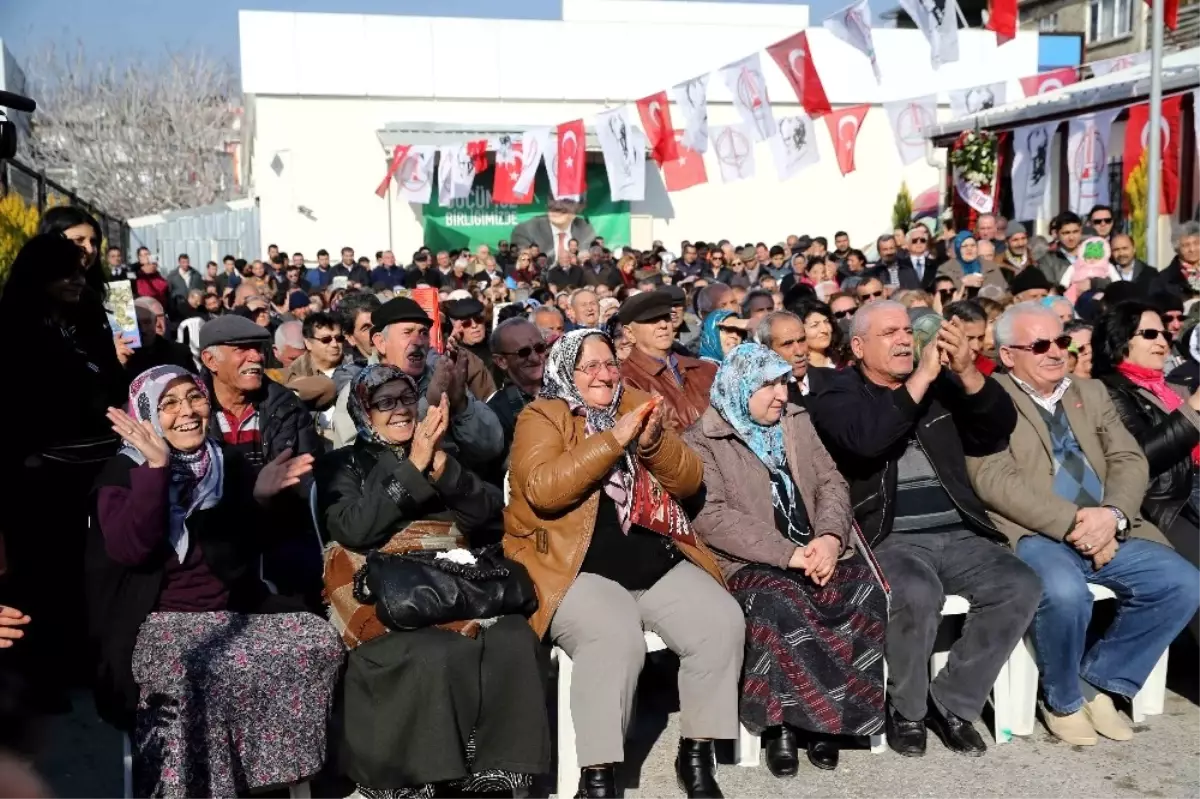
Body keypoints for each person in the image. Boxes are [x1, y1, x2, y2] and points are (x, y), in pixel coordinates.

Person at [504, 329, 744, 799]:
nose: (603, 374)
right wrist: (613, 440)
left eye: (609, 363)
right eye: (588, 366)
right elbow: (544, 490)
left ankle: (696, 752)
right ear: (566, 370)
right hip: (573, 566)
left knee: (720, 622)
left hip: (651, 558)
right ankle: (597, 776)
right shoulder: (543, 415)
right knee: (613, 638)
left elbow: (690, 480)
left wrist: (655, 443)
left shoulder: (636, 401)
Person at [89, 365, 342, 794]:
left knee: (318, 642)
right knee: (197, 670)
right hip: (155, 623)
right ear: (145, 413)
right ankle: (194, 786)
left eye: (194, 398)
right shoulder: (121, 473)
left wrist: (261, 500)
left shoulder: (226, 462)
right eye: (167, 403)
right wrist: (156, 469)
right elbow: (132, 550)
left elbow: (246, 553)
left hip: (233, 609)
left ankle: (273, 776)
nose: (186, 411)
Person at [808, 300, 1041, 758]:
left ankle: (952, 702)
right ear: (857, 347)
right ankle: (907, 709)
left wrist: (969, 372)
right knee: (914, 593)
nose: (903, 339)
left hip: (960, 530)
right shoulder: (836, 392)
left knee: (1020, 584)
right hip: (889, 535)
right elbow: (866, 439)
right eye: (889, 332)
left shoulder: (942, 385)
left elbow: (998, 427)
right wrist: (921, 380)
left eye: (906, 330)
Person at [969, 303, 1200, 745]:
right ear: (1007, 355)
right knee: (1064, 592)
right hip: (1036, 531)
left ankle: (1098, 681)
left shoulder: (1089, 392)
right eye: (1040, 345)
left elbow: (1128, 459)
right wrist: (1079, 525)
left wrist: (1112, 516)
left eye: (1062, 342)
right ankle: (1063, 699)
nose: (1056, 352)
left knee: (1182, 583)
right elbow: (993, 480)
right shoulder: (988, 401)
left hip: (1109, 522)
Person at [316, 364, 549, 798]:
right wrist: (413, 466)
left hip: (451, 576)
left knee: (513, 638)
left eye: (406, 399)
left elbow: (489, 517)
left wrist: (443, 468)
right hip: (384, 583)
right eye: (384, 403)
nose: (400, 411)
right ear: (363, 411)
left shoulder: (445, 451)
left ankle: (497, 774)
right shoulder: (343, 463)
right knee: (432, 650)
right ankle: (416, 778)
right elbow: (353, 529)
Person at [684, 344, 886, 775]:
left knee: (860, 590)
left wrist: (830, 538)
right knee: (780, 601)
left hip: (814, 545)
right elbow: (712, 517)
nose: (781, 394)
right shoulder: (703, 438)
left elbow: (831, 480)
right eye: (767, 385)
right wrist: (788, 554)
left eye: (783, 382)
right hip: (750, 558)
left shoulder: (796, 422)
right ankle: (781, 726)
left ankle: (830, 724)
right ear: (740, 388)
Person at [0, 234, 131, 713]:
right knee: (44, 576)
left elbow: (109, 386)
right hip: (39, 476)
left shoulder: (90, 319)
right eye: (65, 274)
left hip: (97, 467)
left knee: (94, 572)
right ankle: (42, 676)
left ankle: (91, 666)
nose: (77, 281)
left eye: (80, 272)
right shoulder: (15, 329)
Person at [1091, 300, 1200, 641]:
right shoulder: (1108, 391)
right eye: (1150, 334)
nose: (1163, 343)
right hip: (1160, 503)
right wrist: (1195, 408)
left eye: (1166, 334)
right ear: (1121, 339)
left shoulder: (1169, 388)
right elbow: (1140, 456)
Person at [330, 298, 503, 466]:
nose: (418, 342)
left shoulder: (442, 380)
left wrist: (461, 405)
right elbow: (359, 466)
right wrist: (428, 403)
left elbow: (491, 447)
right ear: (381, 342)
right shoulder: (357, 393)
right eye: (407, 333)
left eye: (423, 333)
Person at [619, 291, 718, 428]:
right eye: (651, 320)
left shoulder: (705, 369)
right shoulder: (626, 381)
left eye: (666, 317)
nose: (663, 325)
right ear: (629, 333)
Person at [487, 317, 549, 454]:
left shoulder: (566, 388)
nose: (535, 358)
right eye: (523, 353)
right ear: (501, 361)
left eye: (539, 348)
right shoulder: (495, 413)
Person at [126, 298, 197, 374]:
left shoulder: (180, 353)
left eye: (147, 322)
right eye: (137, 324)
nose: (143, 329)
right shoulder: (125, 356)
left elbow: (196, 382)